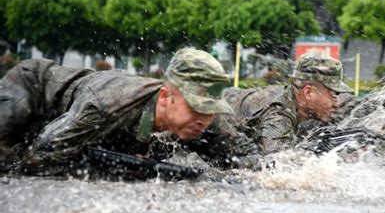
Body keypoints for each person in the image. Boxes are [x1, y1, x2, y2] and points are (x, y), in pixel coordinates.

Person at [0, 48, 248, 175]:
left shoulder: (203, 123)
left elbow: (250, 161)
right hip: (34, 89)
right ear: (165, 96)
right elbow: (41, 157)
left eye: (211, 110)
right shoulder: (108, 105)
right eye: (196, 107)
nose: (203, 119)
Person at [222, 52, 354, 154]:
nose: (335, 103)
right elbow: (279, 164)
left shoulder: (297, 103)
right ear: (308, 93)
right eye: (333, 94)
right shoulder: (278, 115)